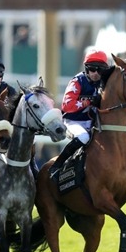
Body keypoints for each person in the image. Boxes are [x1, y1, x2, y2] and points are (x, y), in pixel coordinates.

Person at [50, 50, 112, 178]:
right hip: (73, 121)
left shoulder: (106, 84)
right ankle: (58, 165)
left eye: (100, 70)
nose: (95, 73)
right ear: (86, 69)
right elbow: (67, 106)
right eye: (92, 69)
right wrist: (88, 102)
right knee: (84, 137)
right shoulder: (78, 81)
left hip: (93, 122)